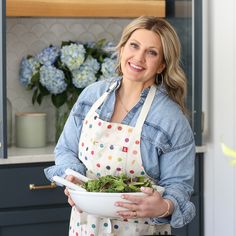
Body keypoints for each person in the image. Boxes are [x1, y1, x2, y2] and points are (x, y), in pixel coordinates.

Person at [44, 16, 196, 236]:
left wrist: (164, 206)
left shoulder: (171, 119)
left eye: (151, 52)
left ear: (162, 64)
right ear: (122, 48)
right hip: (85, 229)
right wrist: (74, 179)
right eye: (134, 46)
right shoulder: (92, 96)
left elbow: (179, 186)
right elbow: (66, 149)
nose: (139, 58)